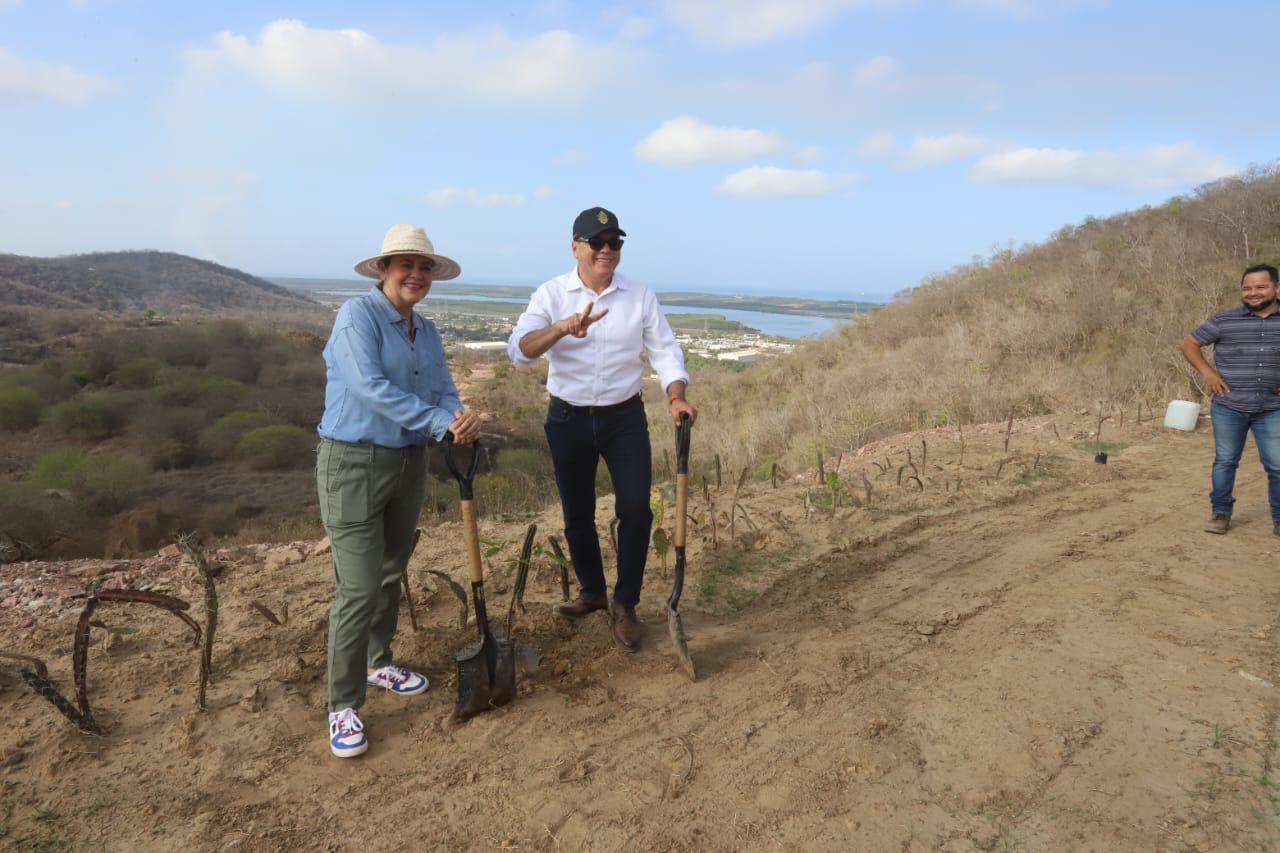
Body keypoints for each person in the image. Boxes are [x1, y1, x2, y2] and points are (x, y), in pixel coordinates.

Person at [317, 224, 482, 758]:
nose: (416, 275)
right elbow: (369, 386)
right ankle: (343, 703)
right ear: (383, 270)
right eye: (405, 265)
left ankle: (377, 660)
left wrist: (458, 416)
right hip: (353, 462)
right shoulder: (356, 317)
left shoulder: (427, 330)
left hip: (408, 460)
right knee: (359, 586)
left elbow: (440, 388)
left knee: (391, 569)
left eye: (425, 267)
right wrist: (438, 420)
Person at [507, 206, 696, 651]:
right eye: (598, 242)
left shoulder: (640, 295)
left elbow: (665, 351)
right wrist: (559, 328)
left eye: (615, 243)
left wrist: (676, 394)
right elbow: (519, 351)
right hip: (567, 417)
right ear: (576, 247)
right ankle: (592, 592)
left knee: (636, 509)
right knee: (577, 512)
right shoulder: (551, 294)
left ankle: (624, 603)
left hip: (623, 418)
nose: (607, 250)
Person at [1180, 263, 1280, 536]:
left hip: (1273, 409)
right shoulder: (1224, 320)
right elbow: (1189, 343)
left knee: (1277, 466)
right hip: (1229, 405)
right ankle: (1220, 513)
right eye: (1247, 288)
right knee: (1225, 461)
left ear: (1276, 287)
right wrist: (1208, 373)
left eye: (1260, 287)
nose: (1253, 293)